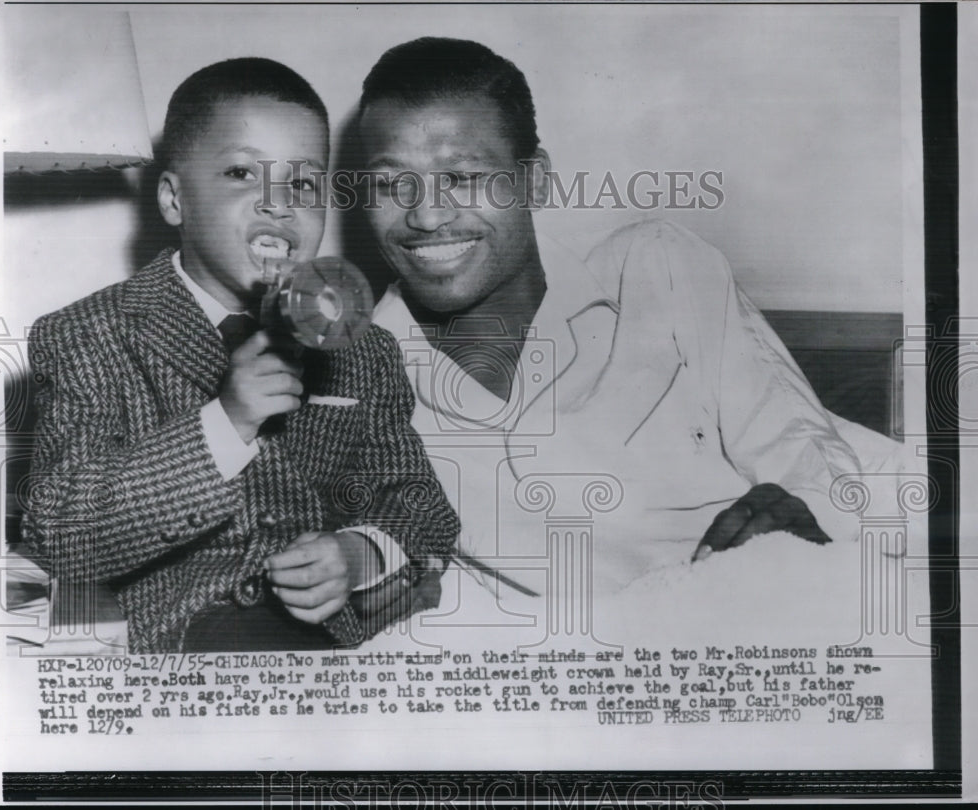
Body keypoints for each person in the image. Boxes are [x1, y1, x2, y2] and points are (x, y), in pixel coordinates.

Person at [357, 38, 904, 603]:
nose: (425, 214)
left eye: (464, 176)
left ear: (536, 181)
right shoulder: (356, 391)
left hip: (781, 609)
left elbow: (800, 448)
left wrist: (801, 517)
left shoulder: (660, 270)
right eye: (389, 183)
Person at [22, 57, 459, 654]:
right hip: (177, 651)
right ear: (174, 200)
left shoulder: (361, 348)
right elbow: (61, 536)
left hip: (325, 650)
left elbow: (422, 508)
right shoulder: (91, 335)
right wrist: (223, 425)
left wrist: (360, 555)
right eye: (240, 173)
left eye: (303, 184)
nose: (279, 205)